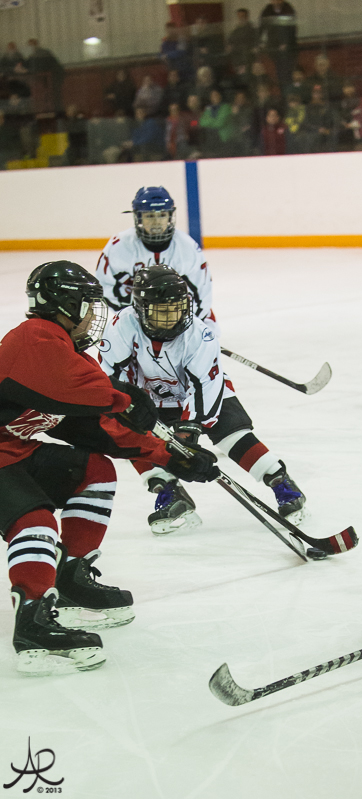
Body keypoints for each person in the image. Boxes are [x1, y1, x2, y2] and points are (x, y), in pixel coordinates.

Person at [0, 260, 219, 675]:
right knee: (35, 520)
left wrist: (172, 457)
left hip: (13, 452)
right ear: (67, 306)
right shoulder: (35, 338)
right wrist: (124, 396)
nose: (93, 318)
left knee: (93, 469)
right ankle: (33, 624)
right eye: (88, 306)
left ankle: (71, 578)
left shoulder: (69, 355)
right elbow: (76, 389)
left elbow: (101, 430)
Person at [97, 265, 306, 534]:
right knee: (136, 438)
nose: (171, 318)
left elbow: (204, 384)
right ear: (140, 308)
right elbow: (110, 377)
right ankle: (169, 492)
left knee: (232, 434)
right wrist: (127, 408)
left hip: (203, 393)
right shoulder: (120, 326)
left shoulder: (200, 334)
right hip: (148, 396)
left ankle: (280, 481)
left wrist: (189, 428)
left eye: (177, 309)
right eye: (162, 311)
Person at [96, 186, 215, 326]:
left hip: (179, 319)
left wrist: (182, 323)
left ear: (170, 216)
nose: (157, 222)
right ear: (138, 217)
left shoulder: (187, 247)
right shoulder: (119, 246)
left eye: (162, 215)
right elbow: (106, 286)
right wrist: (134, 317)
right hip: (134, 320)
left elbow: (202, 292)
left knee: (209, 330)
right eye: (149, 216)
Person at [259, 0, 297, 90]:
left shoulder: (288, 8)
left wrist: (286, 43)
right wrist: (258, 42)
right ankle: (283, 91)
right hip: (274, 48)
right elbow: (261, 26)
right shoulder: (267, 10)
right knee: (279, 73)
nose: (276, 2)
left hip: (288, 50)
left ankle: (288, 92)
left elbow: (292, 28)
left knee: (287, 73)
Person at [227, 8, 257, 83]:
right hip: (237, 60)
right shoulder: (235, 30)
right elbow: (230, 42)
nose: (241, 18)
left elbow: (254, 44)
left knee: (247, 80)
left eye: (242, 16)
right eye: (239, 16)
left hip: (247, 60)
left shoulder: (252, 29)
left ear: (247, 17)